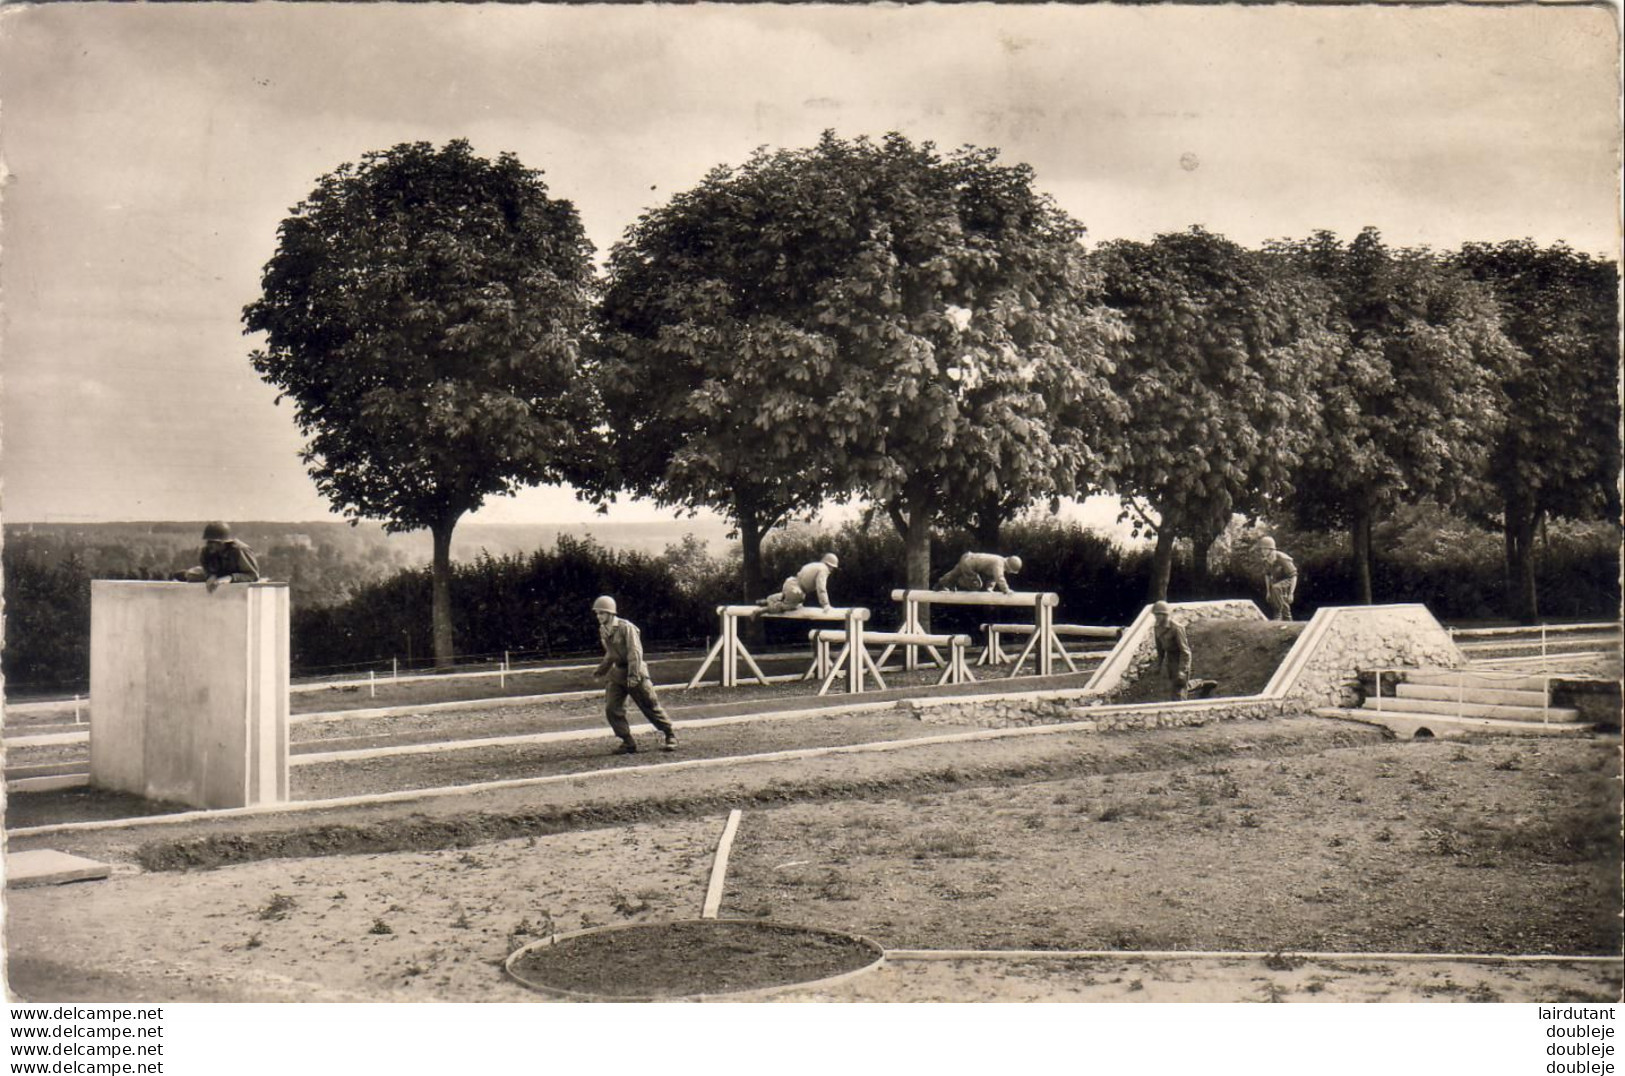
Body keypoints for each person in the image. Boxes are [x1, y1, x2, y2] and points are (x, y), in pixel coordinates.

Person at [591, 596, 677, 755]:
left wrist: (633, 675)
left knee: (649, 705)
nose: (599, 617)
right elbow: (610, 654)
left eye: (602, 613)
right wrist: (601, 670)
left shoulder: (626, 627)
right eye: (597, 613)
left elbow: (635, 652)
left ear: (610, 613)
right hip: (617, 674)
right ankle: (627, 741)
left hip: (635, 671)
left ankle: (669, 734)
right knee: (612, 708)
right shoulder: (603, 630)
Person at [172, 521, 261, 592]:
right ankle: (185, 574)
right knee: (193, 575)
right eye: (208, 541)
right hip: (218, 575)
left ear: (224, 542)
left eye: (214, 542)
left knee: (197, 574)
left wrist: (231, 578)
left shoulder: (240, 550)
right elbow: (207, 568)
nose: (210, 545)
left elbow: (253, 576)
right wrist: (211, 575)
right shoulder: (206, 551)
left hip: (235, 575)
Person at [755, 553, 839, 615]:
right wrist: (826, 605)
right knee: (791, 606)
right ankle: (765, 609)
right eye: (833, 568)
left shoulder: (815, 565)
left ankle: (768, 600)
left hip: (791, 583)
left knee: (785, 596)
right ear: (830, 565)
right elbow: (821, 588)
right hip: (797, 591)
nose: (832, 571)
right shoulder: (824, 570)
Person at [1150, 601, 1192, 701]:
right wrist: (1158, 666)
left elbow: (1185, 652)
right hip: (1170, 660)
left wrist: (1183, 670)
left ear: (1165, 615)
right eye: (1155, 615)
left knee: (1179, 689)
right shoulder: (1157, 628)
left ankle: (1181, 710)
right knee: (1176, 685)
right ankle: (1200, 684)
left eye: (1159, 615)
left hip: (1180, 659)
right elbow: (1160, 650)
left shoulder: (1176, 628)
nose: (1156, 617)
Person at [936, 552, 1023, 594]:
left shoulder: (998, 560)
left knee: (954, 574)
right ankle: (955, 582)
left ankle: (940, 584)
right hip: (969, 565)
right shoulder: (999, 563)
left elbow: (993, 578)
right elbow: (999, 577)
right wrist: (1006, 590)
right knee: (976, 585)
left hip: (967, 557)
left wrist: (990, 588)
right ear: (1010, 568)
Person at [1257, 536, 1298, 621]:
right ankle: (1288, 620)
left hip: (1289, 580)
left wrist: (1291, 593)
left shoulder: (1283, 558)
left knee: (1276, 588)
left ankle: (1278, 614)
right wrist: (1268, 592)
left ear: (1271, 549)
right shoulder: (1266, 561)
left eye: (1265, 549)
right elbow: (1267, 576)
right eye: (1262, 549)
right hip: (1277, 584)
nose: (1263, 551)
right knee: (1277, 593)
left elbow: (1294, 575)